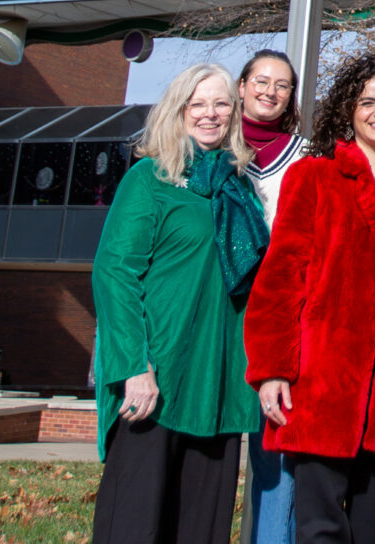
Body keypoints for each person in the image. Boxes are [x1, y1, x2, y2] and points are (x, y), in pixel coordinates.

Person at [244, 53, 375, 543]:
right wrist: (273, 369)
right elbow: (279, 282)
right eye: (367, 102)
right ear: (348, 110)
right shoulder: (313, 178)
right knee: (320, 528)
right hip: (324, 383)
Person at [91, 62, 265, 544]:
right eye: (198, 103)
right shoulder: (150, 178)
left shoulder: (241, 190)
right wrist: (133, 367)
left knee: (201, 528)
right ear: (179, 110)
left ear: (234, 113)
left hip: (219, 384)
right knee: (134, 524)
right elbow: (113, 275)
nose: (210, 114)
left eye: (221, 103)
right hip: (157, 380)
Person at [238, 49, 312, 544]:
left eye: (281, 85)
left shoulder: (305, 154)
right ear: (241, 85)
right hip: (222, 311)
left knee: (276, 445)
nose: (270, 91)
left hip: (279, 310)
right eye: (261, 80)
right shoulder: (209, 140)